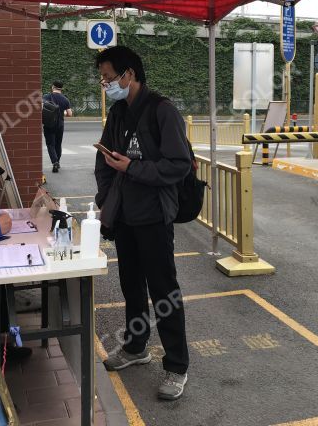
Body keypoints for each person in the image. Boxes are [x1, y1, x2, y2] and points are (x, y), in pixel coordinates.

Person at [94, 46, 192, 401]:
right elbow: (103, 159)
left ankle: (177, 366)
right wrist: (106, 196)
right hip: (125, 216)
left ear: (129, 74)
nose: (105, 84)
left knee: (163, 291)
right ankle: (136, 348)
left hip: (153, 215)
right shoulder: (118, 112)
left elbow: (179, 165)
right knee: (131, 286)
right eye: (103, 78)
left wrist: (132, 168)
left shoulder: (163, 111)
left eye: (108, 77)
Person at [42, 81, 73, 173]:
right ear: (61, 88)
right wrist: (63, 112)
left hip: (49, 124)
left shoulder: (47, 97)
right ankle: (58, 161)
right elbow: (70, 114)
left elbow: (41, 107)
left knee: (50, 144)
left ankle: (55, 161)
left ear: (53, 87)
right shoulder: (65, 99)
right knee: (58, 144)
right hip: (60, 124)